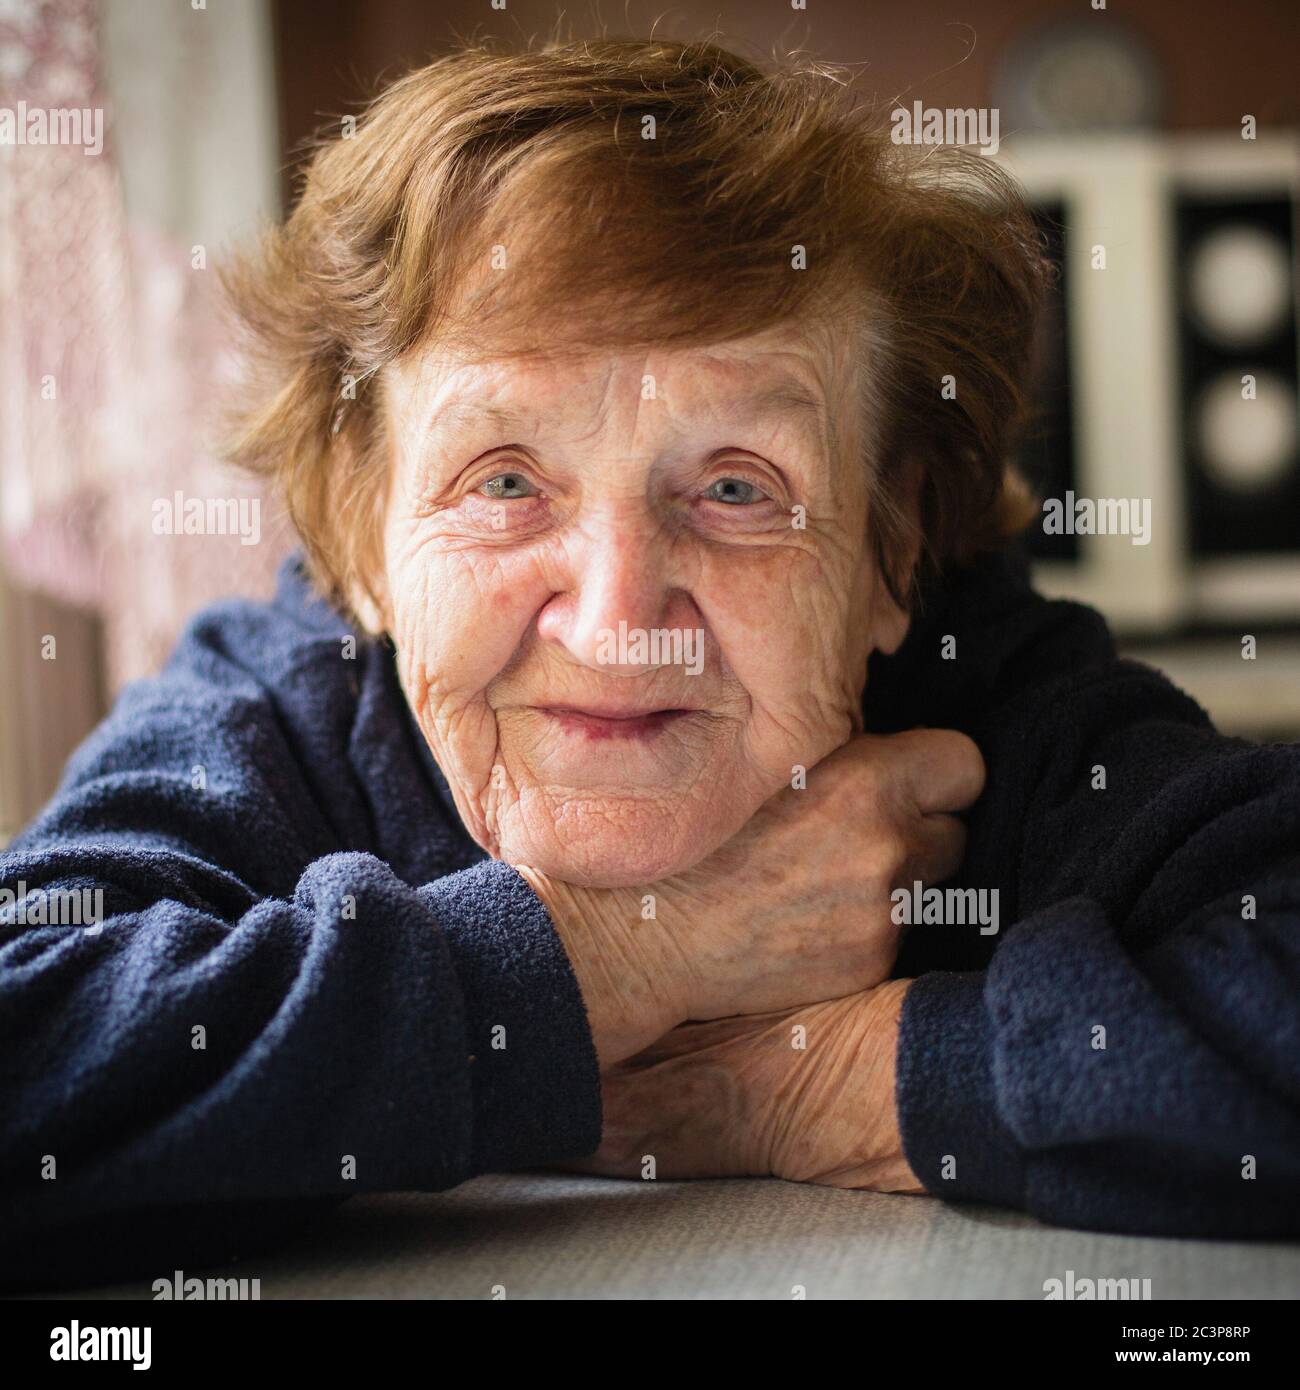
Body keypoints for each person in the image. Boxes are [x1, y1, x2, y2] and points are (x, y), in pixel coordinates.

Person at [3, 37, 1297, 1290]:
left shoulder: (1005, 706)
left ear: (891, 547)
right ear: (358, 537)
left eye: (736, 486)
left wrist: (806, 1086)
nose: (620, 617)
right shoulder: (271, 712)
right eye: (505, 478)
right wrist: (627, 955)